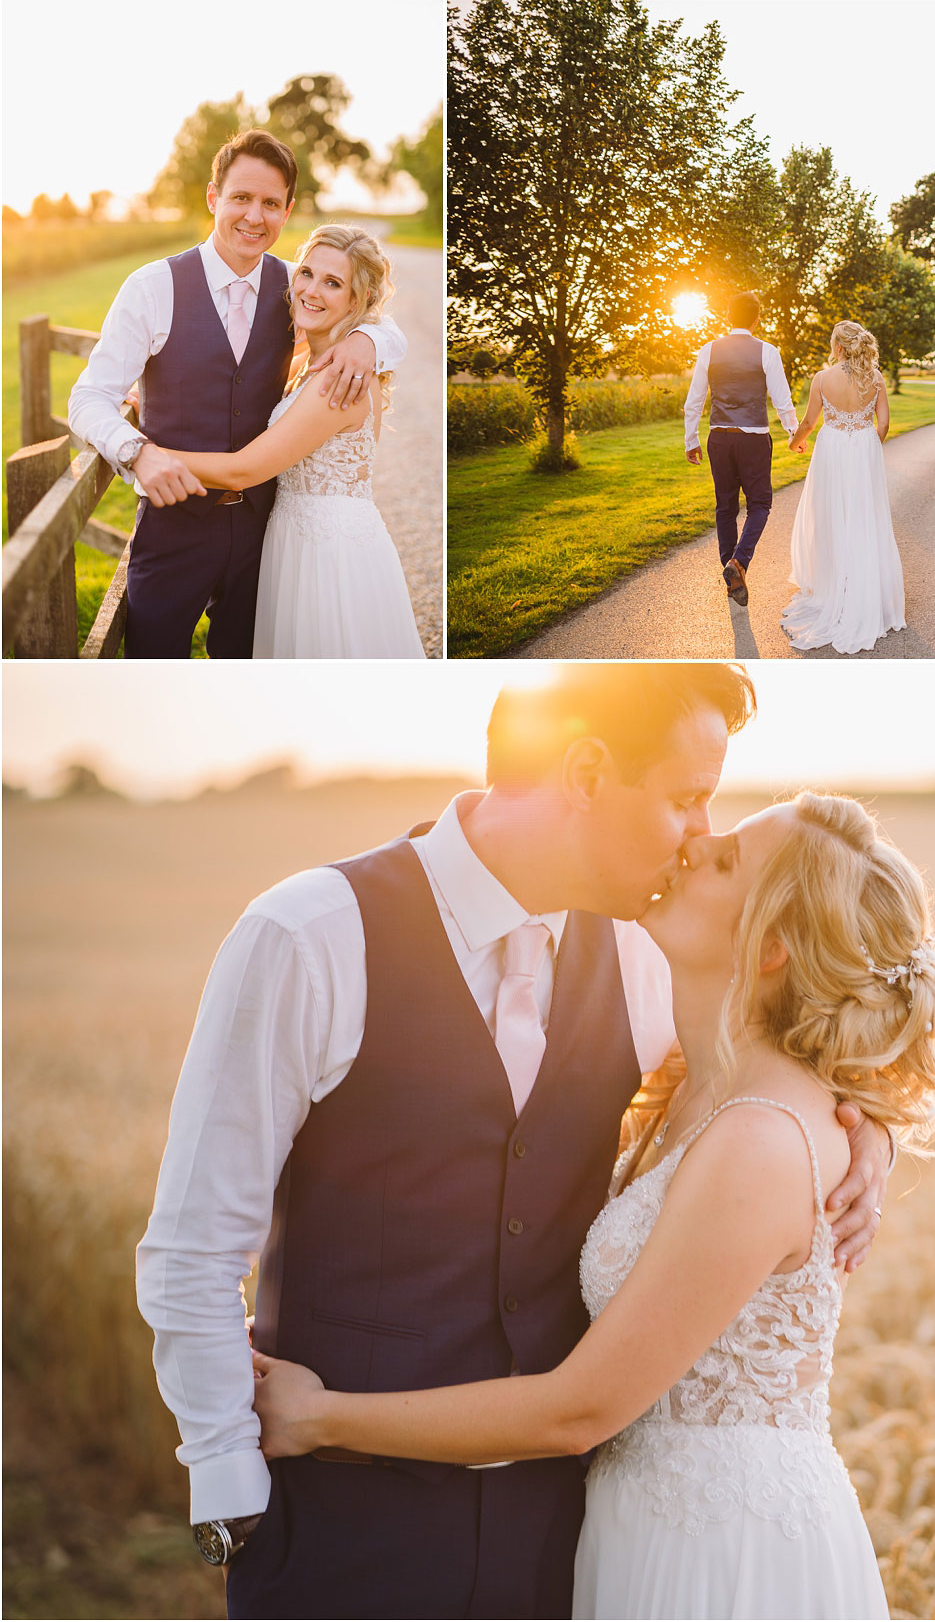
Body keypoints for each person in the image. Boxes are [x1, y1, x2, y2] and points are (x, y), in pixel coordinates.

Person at [135, 663, 893, 1619]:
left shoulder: (642, 955)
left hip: (564, 1549)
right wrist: (230, 1498)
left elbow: (779, 1069)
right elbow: (195, 1248)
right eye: (686, 799)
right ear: (583, 774)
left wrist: (869, 1136)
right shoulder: (310, 936)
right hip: (338, 1537)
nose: (702, 832)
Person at [251, 790, 935, 1620]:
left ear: (770, 947)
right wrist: (873, 1128)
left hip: (720, 1557)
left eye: (727, 857)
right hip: (641, 1530)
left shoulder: (758, 1140)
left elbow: (579, 1409)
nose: (695, 841)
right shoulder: (694, 1085)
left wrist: (319, 1419)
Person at [68, 129, 407, 658]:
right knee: (152, 669)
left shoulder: (296, 284)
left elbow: (371, 311)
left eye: (271, 203)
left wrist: (370, 339)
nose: (254, 216)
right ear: (213, 198)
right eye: (241, 198)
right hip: (174, 531)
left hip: (264, 535)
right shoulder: (152, 287)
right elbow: (89, 397)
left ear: (288, 210)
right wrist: (138, 454)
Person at [156, 225, 425, 659]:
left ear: (357, 301)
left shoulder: (337, 381)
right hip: (295, 539)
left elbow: (244, 470)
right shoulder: (313, 358)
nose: (311, 291)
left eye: (333, 283)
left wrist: (145, 452)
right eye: (307, 274)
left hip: (328, 555)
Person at [782, 320, 906, 655]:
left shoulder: (822, 379)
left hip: (832, 449)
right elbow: (884, 423)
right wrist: (868, 445)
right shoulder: (876, 379)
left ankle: (833, 584)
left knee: (831, 515)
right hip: (863, 449)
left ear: (838, 347)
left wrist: (796, 444)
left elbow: (809, 422)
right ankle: (863, 588)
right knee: (865, 516)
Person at [683, 290, 799, 608]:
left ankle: (732, 576)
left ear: (727, 316)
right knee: (760, 504)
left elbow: (694, 399)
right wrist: (794, 432)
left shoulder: (708, 350)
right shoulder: (767, 351)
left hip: (719, 437)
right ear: (757, 318)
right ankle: (739, 562)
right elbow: (781, 398)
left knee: (725, 507)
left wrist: (690, 439)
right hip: (753, 439)